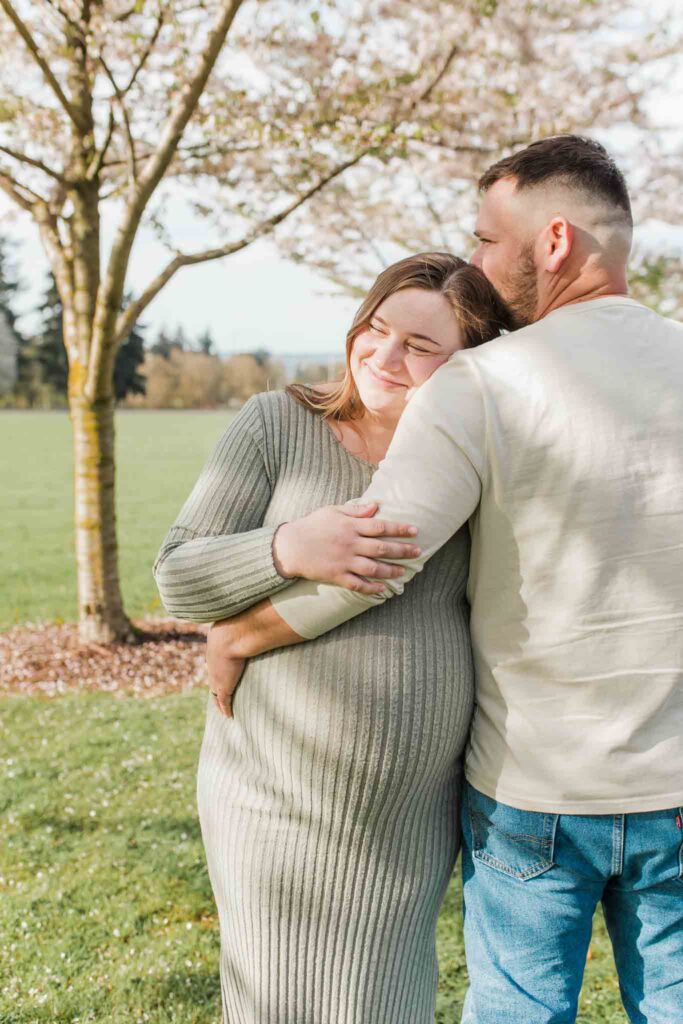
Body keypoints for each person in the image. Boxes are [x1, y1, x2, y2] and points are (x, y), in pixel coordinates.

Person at [215, 136, 683, 1023]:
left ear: (551, 244)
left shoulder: (481, 382)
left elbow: (374, 556)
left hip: (533, 794)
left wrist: (244, 634)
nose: (476, 261)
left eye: (485, 240)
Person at [153, 253, 514, 1024]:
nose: (383, 357)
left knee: (383, 1001)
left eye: (419, 346)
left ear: (469, 363)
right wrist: (287, 546)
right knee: (270, 999)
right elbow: (177, 578)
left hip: (407, 813)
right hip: (267, 792)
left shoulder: (479, 456)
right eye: (375, 328)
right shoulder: (277, 422)